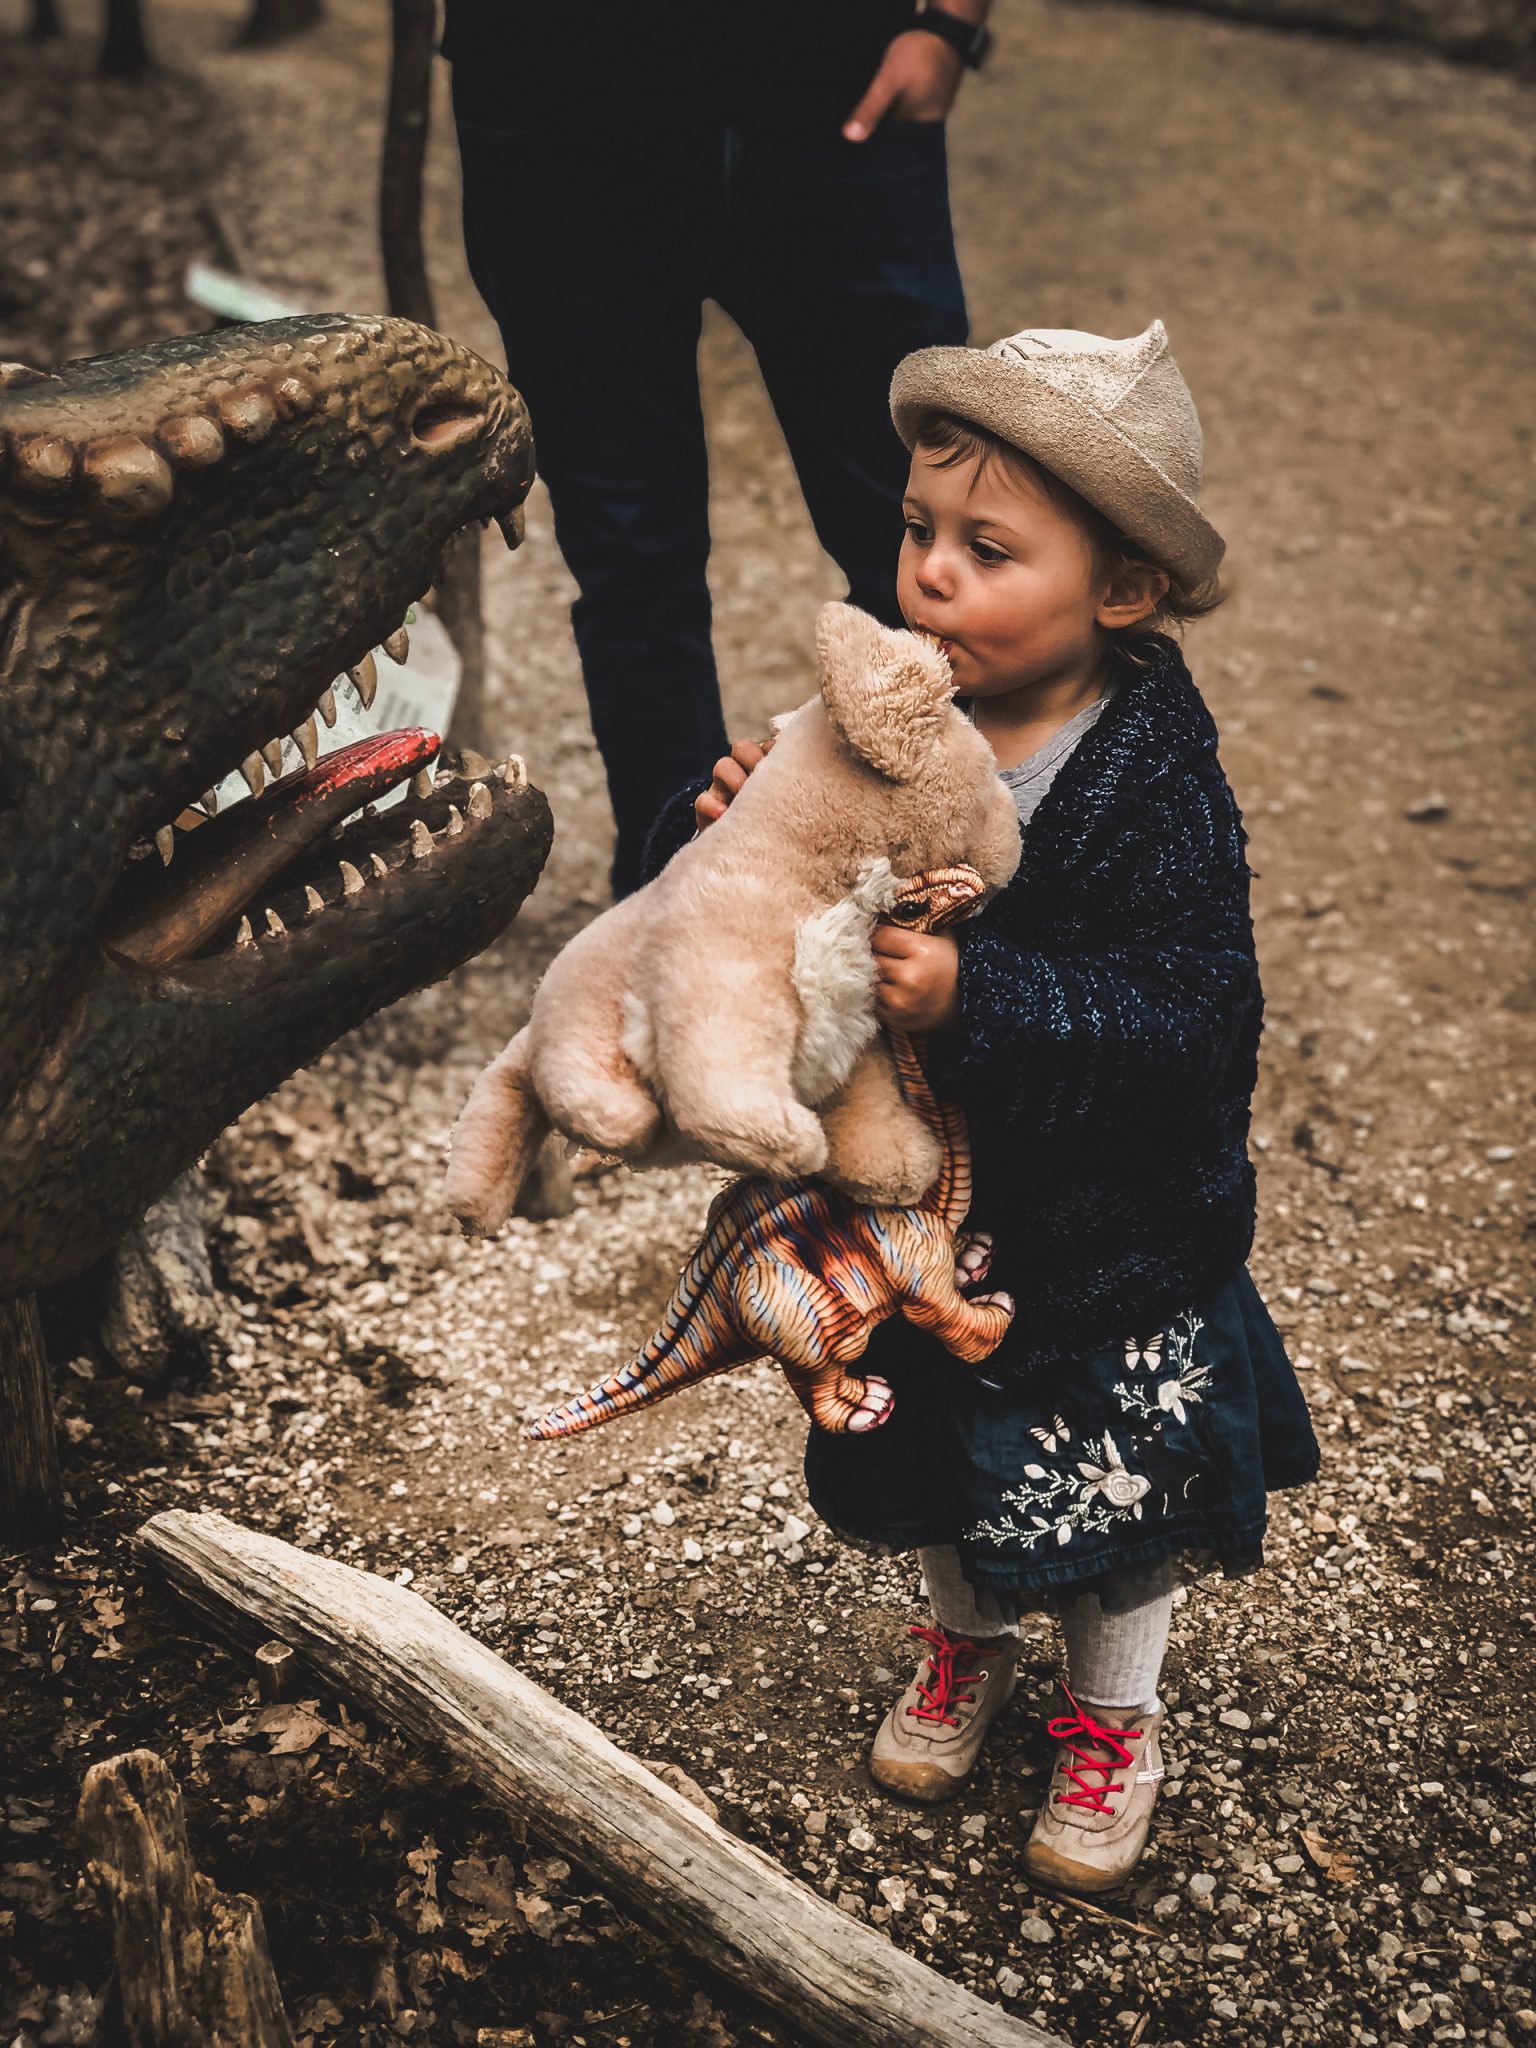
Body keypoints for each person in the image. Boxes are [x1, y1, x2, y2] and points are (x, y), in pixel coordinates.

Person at [662, 322, 1319, 1895]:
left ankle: (1112, 1713)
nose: (929, 576)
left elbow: (1195, 1018)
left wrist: (982, 997)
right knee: (947, 1464)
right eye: (916, 532)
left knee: (1114, 1490)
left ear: (1125, 591)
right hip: (926, 1226)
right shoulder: (890, 728)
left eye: (986, 548)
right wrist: (758, 839)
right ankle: (964, 1643)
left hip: (1105, 1228)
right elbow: (804, 896)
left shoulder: (1152, 775)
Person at [443, 0, 991, 895]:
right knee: (630, 562)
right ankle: (678, 914)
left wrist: (952, 23)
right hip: (550, 99)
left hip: (832, 89)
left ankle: (926, 904)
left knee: (927, 534)